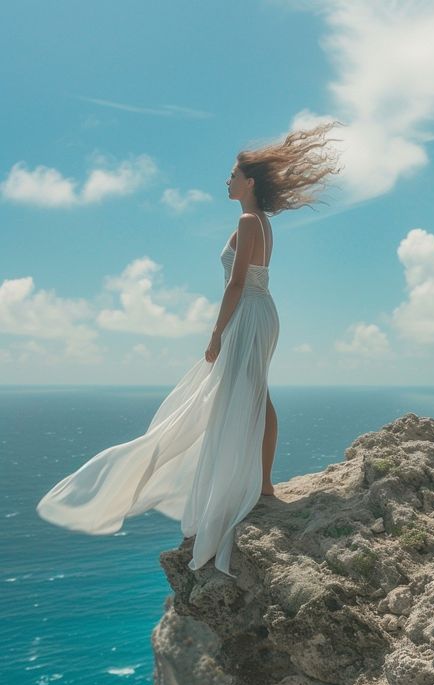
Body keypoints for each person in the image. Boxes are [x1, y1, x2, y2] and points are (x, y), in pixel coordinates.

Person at [36, 124, 342, 579]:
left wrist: (216, 333)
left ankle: (253, 486)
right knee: (256, 394)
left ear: (250, 182)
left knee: (239, 396)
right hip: (264, 312)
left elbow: (237, 282)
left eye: (233, 174)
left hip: (246, 312)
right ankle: (262, 483)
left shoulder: (245, 222)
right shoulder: (264, 224)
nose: (227, 180)